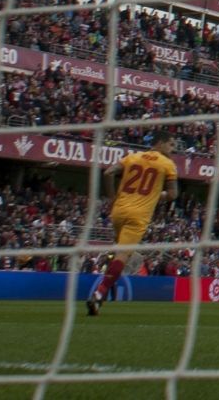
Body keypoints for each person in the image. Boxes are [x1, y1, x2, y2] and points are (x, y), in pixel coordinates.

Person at [86, 132, 179, 317]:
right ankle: (99, 294)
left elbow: (108, 172)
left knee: (118, 250)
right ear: (160, 143)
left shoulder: (133, 157)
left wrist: (112, 198)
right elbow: (173, 194)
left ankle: (107, 279)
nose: (173, 149)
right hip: (138, 216)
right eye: (171, 144)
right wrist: (158, 195)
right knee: (122, 256)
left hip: (118, 211)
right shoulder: (167, 164)